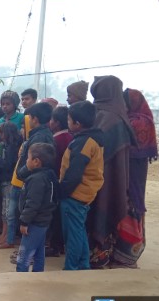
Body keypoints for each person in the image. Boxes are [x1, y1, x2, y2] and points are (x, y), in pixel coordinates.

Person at [88, 75, 135, 268]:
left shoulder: (109, 117)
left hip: (104, 174)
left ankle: (99, 254)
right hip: (107, 175)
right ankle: (98, 253)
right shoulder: (115, 115)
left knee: (101, 208)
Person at [111, 88, 158, 268]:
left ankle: (128, 254)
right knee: (130, 205)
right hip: (133, 169)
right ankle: (126, 252)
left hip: (133, 170)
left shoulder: (137, 122)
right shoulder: (140, 119)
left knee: (131, 205)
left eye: (124, 103)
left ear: (131, 103)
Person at [0, 102, 55, 251]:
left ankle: (26, 252)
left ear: (34, 119)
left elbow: (33, 161)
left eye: (29, 117)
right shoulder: (38, 135)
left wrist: (21, 172)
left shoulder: (39, 137)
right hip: (24, 180)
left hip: (27, 180)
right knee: (16, 213)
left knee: (25, 215)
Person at [59, 101, 104, 270]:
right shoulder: (93, 138)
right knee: (78, 230)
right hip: (85, 193)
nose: (68, 123)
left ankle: (71, 267)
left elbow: (74, 173)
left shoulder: (83, 142)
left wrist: (62, 191)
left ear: (77, 123)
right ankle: (83, 265)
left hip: (75, 194)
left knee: (72, 234)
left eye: (69, 120)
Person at [16, 143, 58, 272]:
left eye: (28, 158)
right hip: (42, 221)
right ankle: (38, 274)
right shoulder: (48, 175)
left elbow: (32, 203)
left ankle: (20, 275)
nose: (26, 161)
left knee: (24, 255)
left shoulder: (36, 179)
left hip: (34, 222)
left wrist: (24, 222)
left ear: (36, 161)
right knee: (39, 252)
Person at [46, 106, 74, 257]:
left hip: (55, 181)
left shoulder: (57, 140)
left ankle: (54, 246)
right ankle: (59, 245)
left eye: (51, 119)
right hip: (64, 181)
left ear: (56, 122)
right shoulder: (70, 137)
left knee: (54, 216)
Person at [0, 122, 23, 247]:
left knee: (8, 211)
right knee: (6, 210)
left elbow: (7, 165)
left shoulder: (12, 148)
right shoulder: (8, 146)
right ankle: (5, 235)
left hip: (9, 181)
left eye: (1, 132)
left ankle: (8, 238)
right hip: (7, 181)